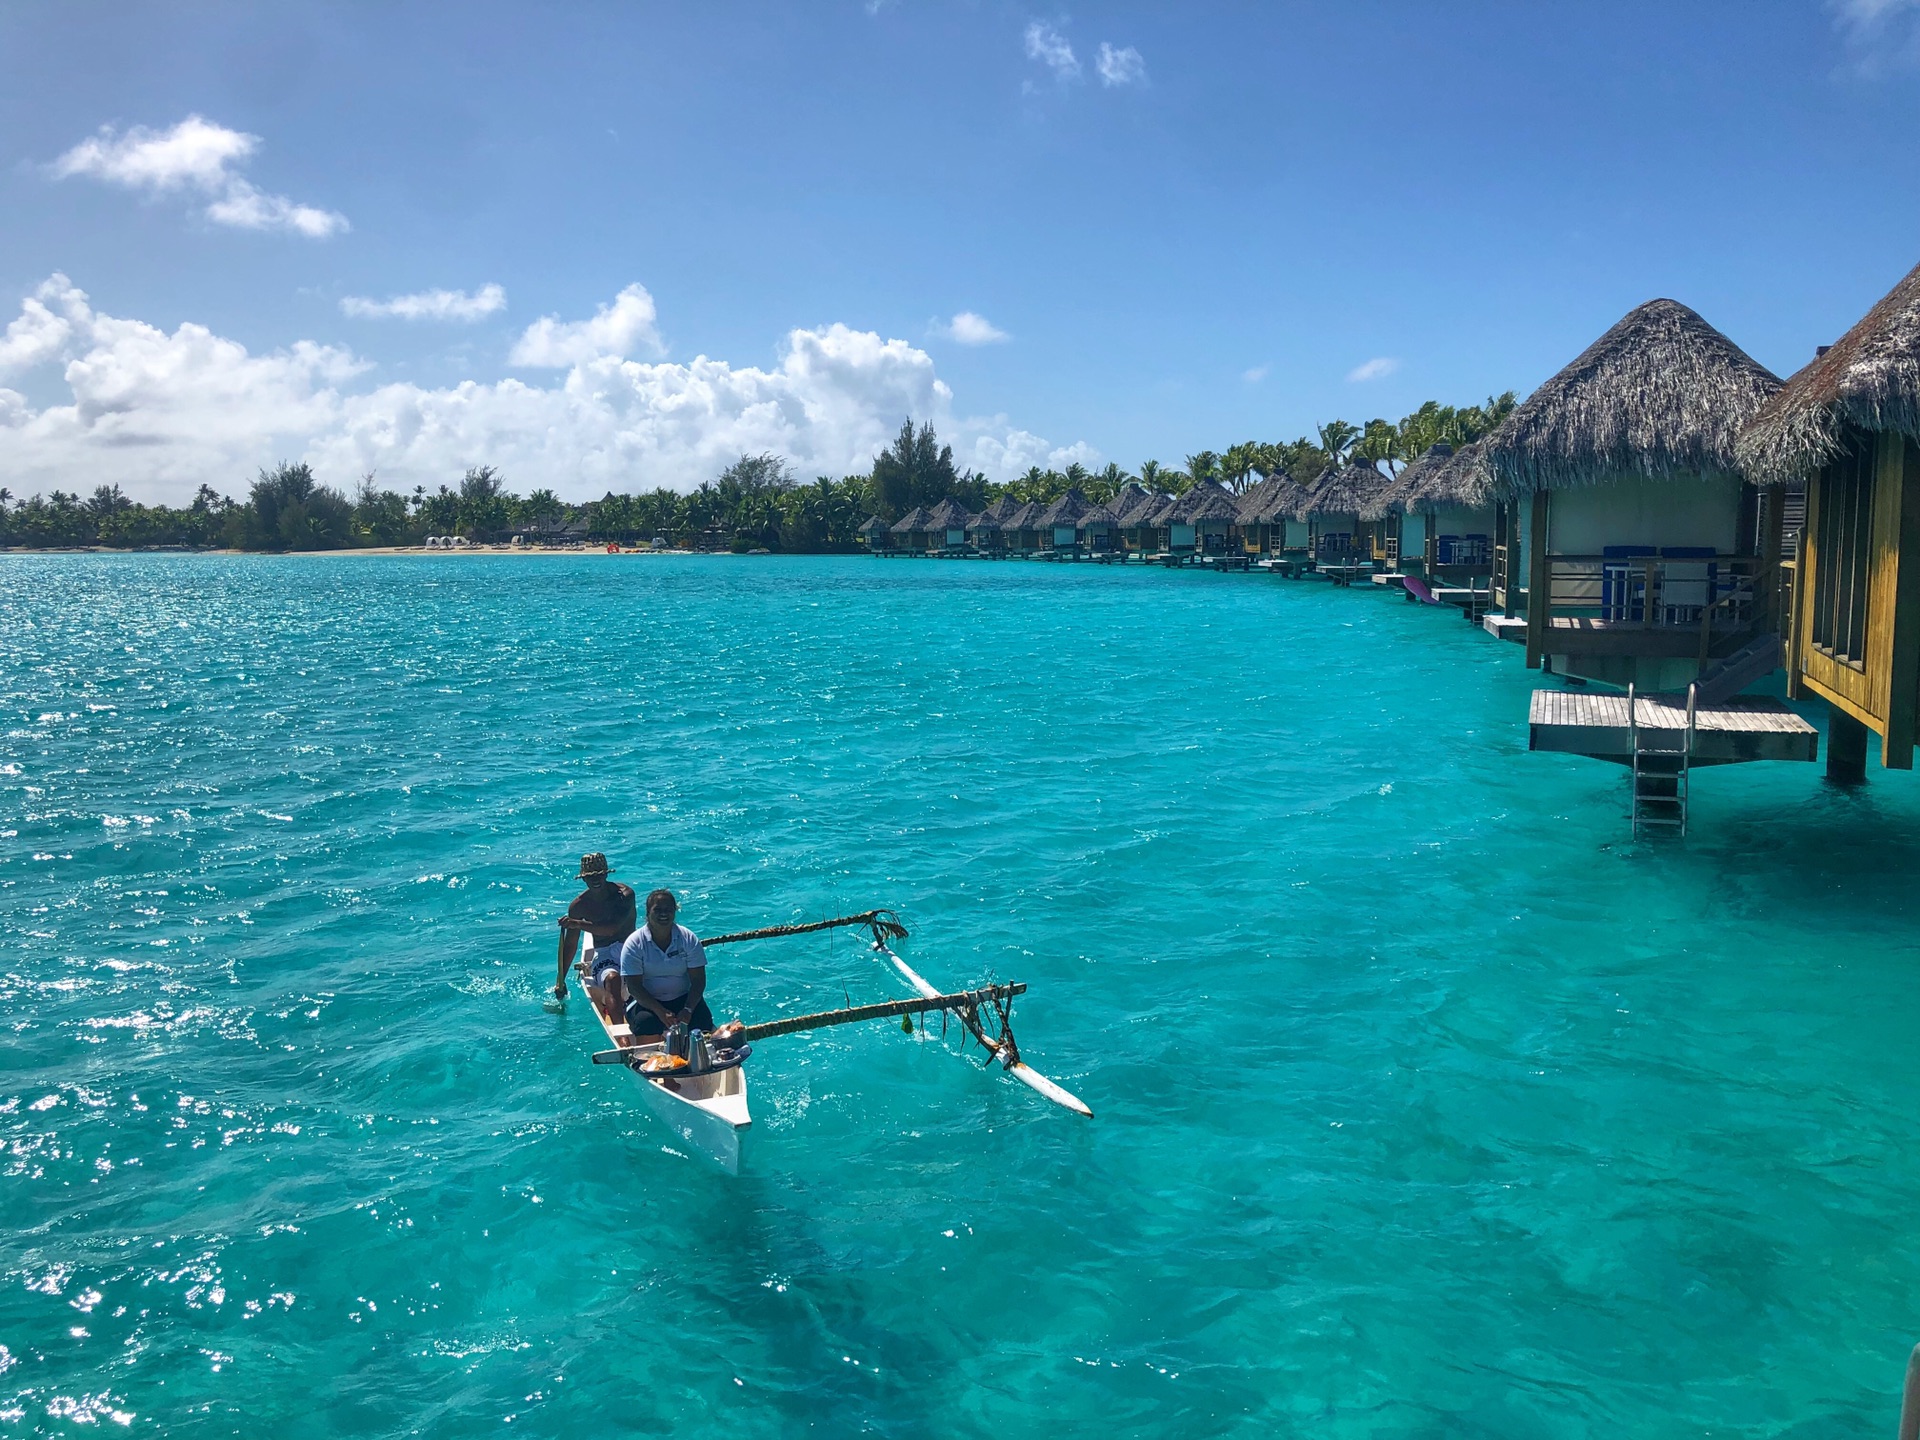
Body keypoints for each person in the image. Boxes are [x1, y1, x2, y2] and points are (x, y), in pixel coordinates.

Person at [618, 888, 715, 1038]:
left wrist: (688, 1010)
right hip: (646, 1002)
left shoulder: (688, 938)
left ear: (675, 912)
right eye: (657, 910)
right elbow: (634, 987)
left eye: (668, 909)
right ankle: (648, 1059)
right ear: (648, 913)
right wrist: (660, 1012)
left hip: (683, 999)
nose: (663, 914)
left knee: (702, 1019)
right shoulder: (634, 943)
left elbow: (698, 980)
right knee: (646, 1023)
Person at [553, 853, 637, 1022]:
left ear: (606, 874)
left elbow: (612, 929)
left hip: (631, 948)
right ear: (583, 879)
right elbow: (570, 944)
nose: (596, 879)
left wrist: (577, 924)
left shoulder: (624, 895)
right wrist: (560, 980)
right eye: (591, 877)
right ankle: (622, 1038)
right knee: (613, 979)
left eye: (599, 874)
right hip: (604, 953)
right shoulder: (578, 906)